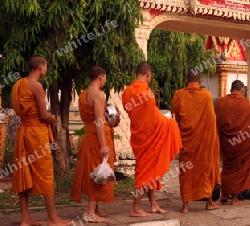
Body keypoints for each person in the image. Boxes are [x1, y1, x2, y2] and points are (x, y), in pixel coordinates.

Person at [12, 55, 71, 226]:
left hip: (23, 132)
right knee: (46, 174)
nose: (46, 70)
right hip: (37, 134)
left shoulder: (18, 85)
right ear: (40, 67)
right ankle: (53, 219)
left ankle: (25, 219)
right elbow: (44, 115)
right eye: (46, 67)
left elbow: (20, 110)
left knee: (23, 173)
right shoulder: (36, 86)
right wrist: (53, 118)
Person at [122, 62, 182, 216]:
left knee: (150, 172)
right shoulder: (147, 94)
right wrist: (171, 122)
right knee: (143, 174)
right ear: (148, 74)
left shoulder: (127, 92)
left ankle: (153, 204)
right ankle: (135, 208)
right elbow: (154, 120)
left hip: (138, 137)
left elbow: (136, 114)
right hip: (149, 139)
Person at [171, 68, 221, 213]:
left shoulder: (179, 95)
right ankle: (209, 202)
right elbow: (211, 121)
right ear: (199, 81)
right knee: (205, 171)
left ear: (187, 80)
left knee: (187, 173)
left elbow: (176, 118)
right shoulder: (206, 96)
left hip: (186, 142)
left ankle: (185, 205)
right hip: (204, 143)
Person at [71, 65, 116, 223]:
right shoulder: (98, 94)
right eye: (105, 78)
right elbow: (98, 121)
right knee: (97, 174)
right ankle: (90, 213)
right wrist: (103, 145)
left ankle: (95, 208)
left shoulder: (83, 94)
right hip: (97, 139)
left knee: (94, 171)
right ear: (101, 77)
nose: (105, 80)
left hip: (89, 137)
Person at [214, 80, 250, 205]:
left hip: (226, 142)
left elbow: (216, 124)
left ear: (230, 90)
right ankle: (234, 199)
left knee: (227, 167)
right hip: (241, 144)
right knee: (238, 170)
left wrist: (219, 142)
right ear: (242, 90)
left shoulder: (220, 103)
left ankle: (224, 195)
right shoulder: (247, 104)